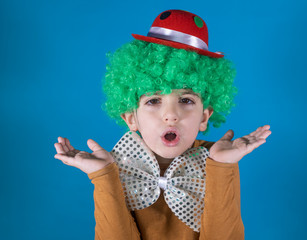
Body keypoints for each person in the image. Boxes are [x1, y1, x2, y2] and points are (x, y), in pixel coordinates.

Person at [54, 9, 271, 240]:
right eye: (154, 100)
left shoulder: (217, 161)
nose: (170, 115)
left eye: (186, 100)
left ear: (204, 117)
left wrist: (222, 167)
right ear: (131, 118)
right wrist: (103, 176)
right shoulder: (118, 166)